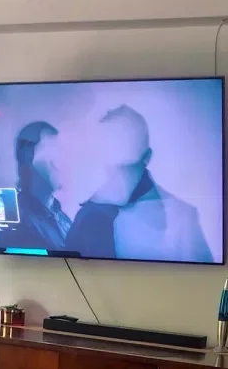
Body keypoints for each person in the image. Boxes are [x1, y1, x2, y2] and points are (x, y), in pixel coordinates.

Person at [66, 105, 212, 263]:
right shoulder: (87, 216)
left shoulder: (182, 218)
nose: (116, 166)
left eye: (124, 149)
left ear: (146, 157)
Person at [0, 121, 72, 252]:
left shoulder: (57, 212)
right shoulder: (19, 225)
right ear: (28, 160)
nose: (61, 163)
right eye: (52, 154)